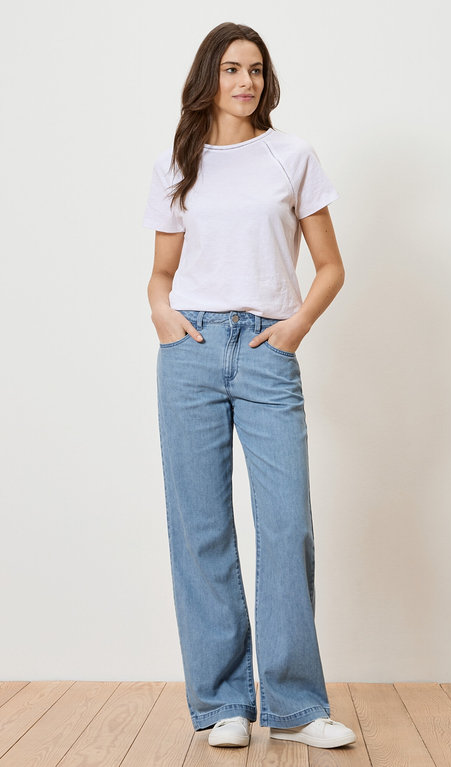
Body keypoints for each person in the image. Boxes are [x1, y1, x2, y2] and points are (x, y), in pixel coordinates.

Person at [141, 22, 355, 750]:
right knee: (201, 529)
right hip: (192, 351)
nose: (246, 82)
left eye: (256, 70)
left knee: (285, 521)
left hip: (266, 349)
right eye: (232, 69)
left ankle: (294, 705)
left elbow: (330, 266)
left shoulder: (290, 156)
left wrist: (291, 331)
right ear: (210, 76)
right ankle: (222, 702)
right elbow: (161, 275)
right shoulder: (181, 163)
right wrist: (162, 316)